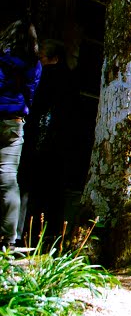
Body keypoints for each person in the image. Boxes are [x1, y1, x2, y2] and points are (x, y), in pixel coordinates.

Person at [19, 39, 76, 242]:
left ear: (54, 58)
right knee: (56, 191)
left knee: (35, 189)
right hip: (63, 143)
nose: (40, 61)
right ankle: (52, 235)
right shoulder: (72, 79)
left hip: (43, 139)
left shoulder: (47, 76)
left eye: (43, 57)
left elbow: (37, 107)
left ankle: (29, 235)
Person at [0, 20, 40, 248]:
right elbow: (30, 93)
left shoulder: (2, 58)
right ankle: (9, 239)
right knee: (8, 180)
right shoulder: (34, 64)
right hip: (14, 122)